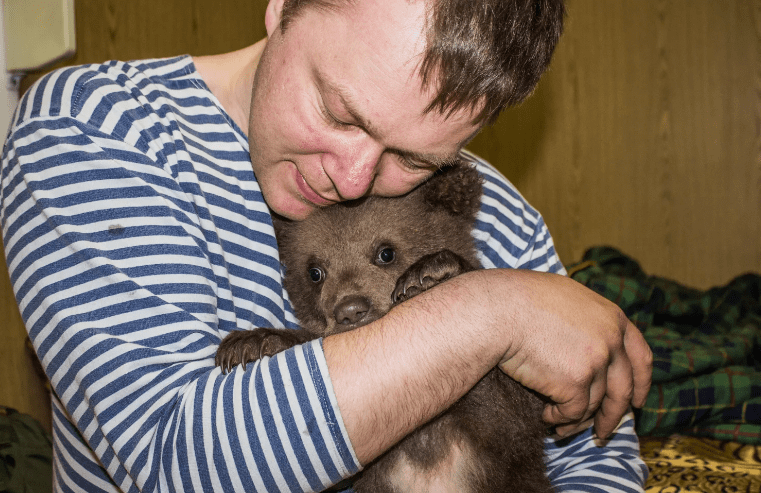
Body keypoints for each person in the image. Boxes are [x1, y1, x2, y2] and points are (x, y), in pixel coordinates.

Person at [1, 0, 652, 491]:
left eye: (412, 157)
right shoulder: (98, 129)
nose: (350, 176)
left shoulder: (498, 212)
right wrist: (491, 312)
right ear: (283, 5)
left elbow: (595, 459)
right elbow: (176, 459)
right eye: (338, 111)